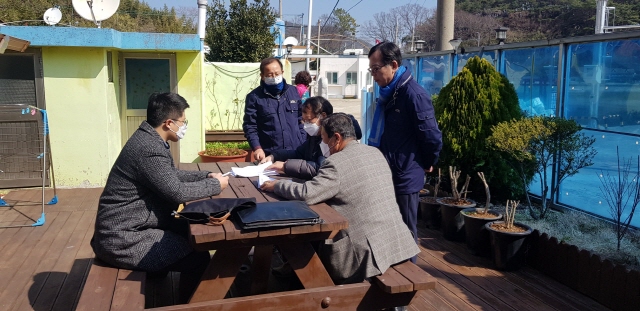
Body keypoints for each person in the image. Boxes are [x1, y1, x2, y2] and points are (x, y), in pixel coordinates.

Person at [90, 92, 230, 304]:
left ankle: (159, 270)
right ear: (168, 123)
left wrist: (205, 175)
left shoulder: (147, 139)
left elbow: (169, 174)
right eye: (183, 122)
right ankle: (191, 306)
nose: (184, 126)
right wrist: (215, 185)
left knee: (189, 231)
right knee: (197, 256)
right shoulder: (148, 149)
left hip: (130, 228)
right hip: (122, 239)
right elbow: (177, 192)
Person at [260, 113, 419, 284]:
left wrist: (275, 186)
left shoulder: (336, 163)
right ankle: (292, 269)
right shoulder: (375, 153)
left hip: (362, 254)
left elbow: (307, 193)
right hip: (395, 242)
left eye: (324, 139)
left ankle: (298, 276)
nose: (323, 144)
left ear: (336, 138)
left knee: (309, 238)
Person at [367, 41, 443, 263]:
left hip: (405, 172)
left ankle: (409, 282)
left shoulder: (413, 94)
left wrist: (429, 161)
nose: (373, 75)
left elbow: (431, 136)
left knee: (406, 230)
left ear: (393, 64)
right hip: (387, 169)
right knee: (388, 225)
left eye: (376, 69)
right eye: (370, 69)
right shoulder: (389, 93)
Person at [261, 96, 363, 180]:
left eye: (309, 121)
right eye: (304, 121)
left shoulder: (331, 141)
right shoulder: (314, 138)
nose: (306, 125)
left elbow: (320, 167)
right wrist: (274, 156)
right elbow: (298, 153)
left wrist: (286, 166)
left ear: (322, 116)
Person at [243, 57, 306, 162]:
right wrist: (257, 148)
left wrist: (303, 141)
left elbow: (301, 120)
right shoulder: (254, 97)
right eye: (269, 75)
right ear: (262, 76)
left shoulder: (293, 92)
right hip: (270, 156)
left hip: (296, 152)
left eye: (277, 74)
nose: (274, 77)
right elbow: (250, 126)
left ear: (282, 72)